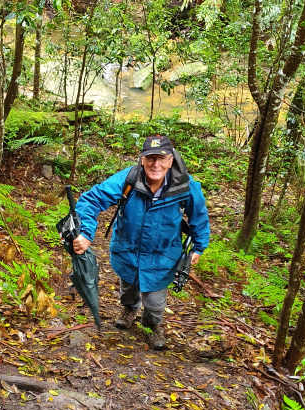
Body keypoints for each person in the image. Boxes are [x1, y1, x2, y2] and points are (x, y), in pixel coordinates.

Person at [72, 134, 210, 349]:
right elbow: (92, 199)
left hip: (162, 255)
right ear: (142, 160)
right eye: (150, 158)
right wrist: (86, 233)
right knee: (128, 287)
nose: (156, 164)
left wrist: (199, 247)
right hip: (128, 249)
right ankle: (129, 309)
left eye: (161, 158)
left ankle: (152, 324)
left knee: (155, 301)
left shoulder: (185, 186)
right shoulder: (128, 179)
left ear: (170, 160)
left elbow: (198, 217)